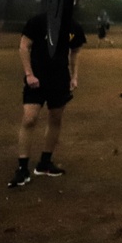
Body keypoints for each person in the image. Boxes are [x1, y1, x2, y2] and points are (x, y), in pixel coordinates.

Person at [7, 12, 87, 188]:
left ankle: (45, 163)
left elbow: (75, 52)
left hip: (59, 79)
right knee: (29, 119)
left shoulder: (74, 26)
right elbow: (24, 46)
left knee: (56, 118)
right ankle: (22, 168)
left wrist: (74, 77)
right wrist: (29, 74)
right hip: (36, 78)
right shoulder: (38, 21)